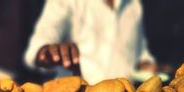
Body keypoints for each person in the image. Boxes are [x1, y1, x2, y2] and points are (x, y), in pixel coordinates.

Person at [24, 0, 157, 84]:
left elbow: (140, 52)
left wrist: (146, 63)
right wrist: (47, 52)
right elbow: (39, 43)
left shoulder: (133, 5)